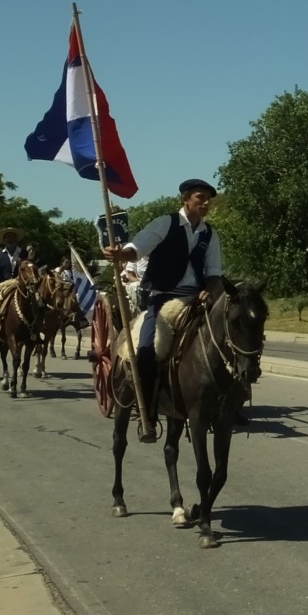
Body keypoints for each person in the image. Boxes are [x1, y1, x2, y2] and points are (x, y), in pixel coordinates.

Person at [103, 178, 224, 442]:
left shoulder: (210, 234)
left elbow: (214, 272)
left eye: (207, 200)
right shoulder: (165, 223)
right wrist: (120, 255)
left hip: (196, 301)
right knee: (148, 350)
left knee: (228, 340)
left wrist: (209, 289)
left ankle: (228, 402)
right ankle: (147, 408)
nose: (205, 204)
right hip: (161, 299)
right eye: (200, 198)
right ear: (185, 200)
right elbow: (138, 248)